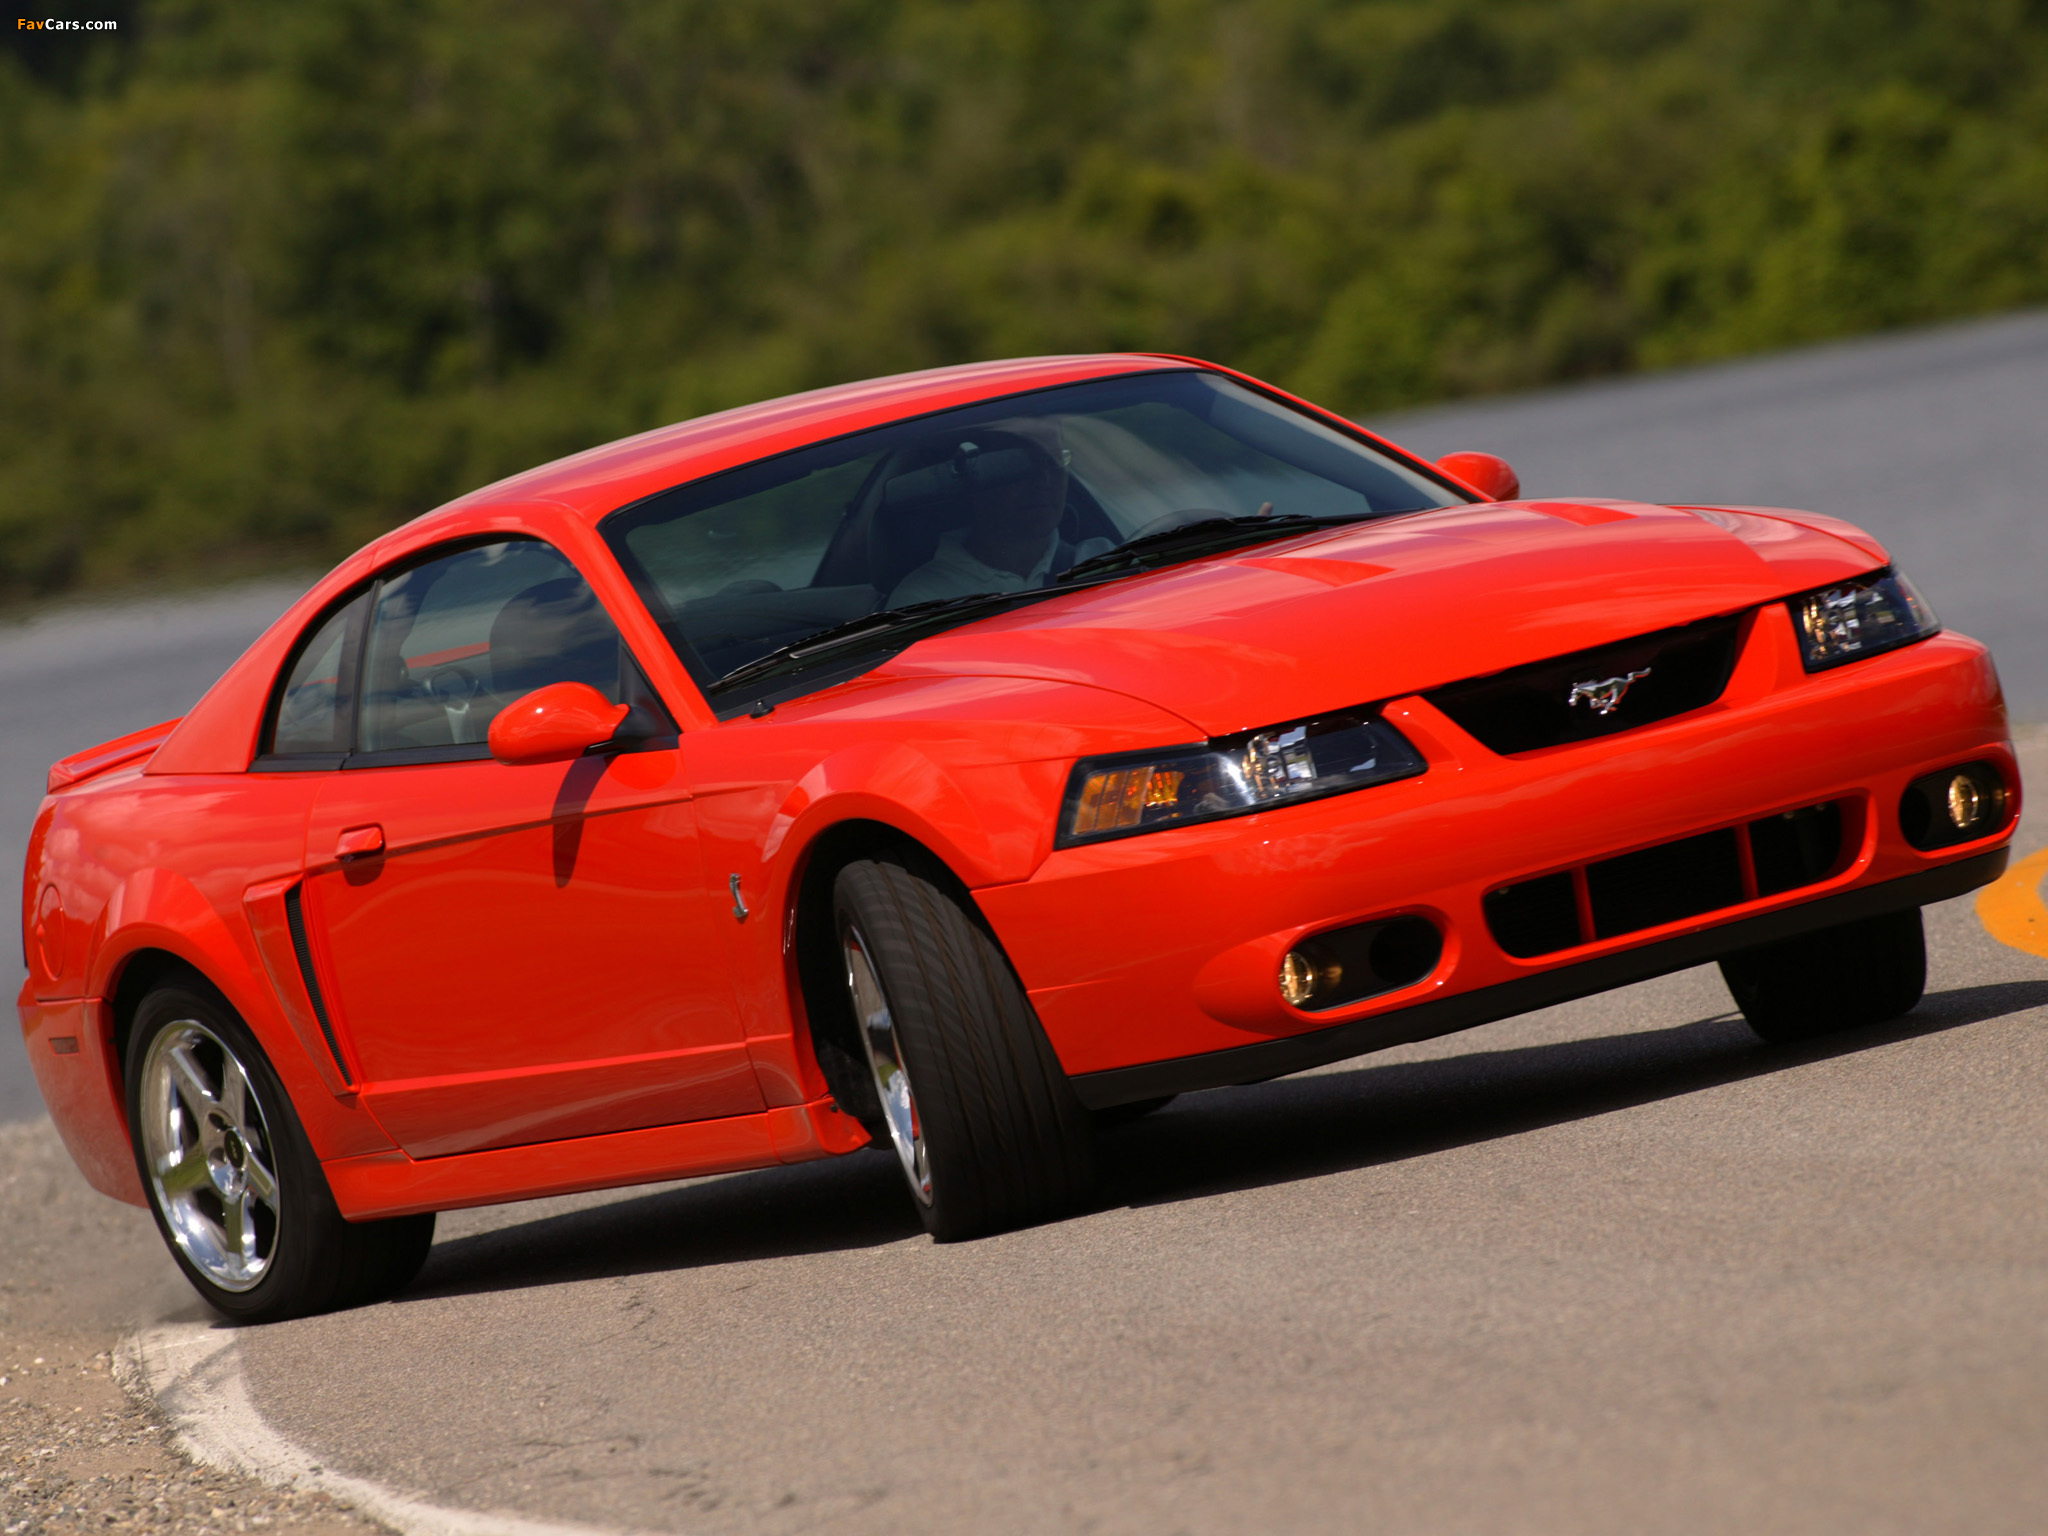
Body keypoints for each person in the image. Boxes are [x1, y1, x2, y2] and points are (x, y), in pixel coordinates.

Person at [887, 431, 1114, 607]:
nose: (1043, 481)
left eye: (1053, 461)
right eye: (1021, 466)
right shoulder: (923, 599)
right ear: (977, 482)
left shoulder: (1106, 560)